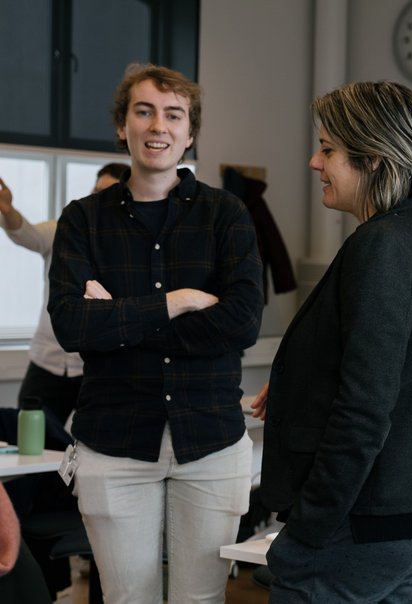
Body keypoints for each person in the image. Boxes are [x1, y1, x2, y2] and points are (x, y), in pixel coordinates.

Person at [47, 64, 262, 603]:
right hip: (113, 444)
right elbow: (73, 325)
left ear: (190, 133)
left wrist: (120, 318)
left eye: (173, 115)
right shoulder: (82, 221)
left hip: (211, 442)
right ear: (123, 126)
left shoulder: (226, 215)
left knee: (200, 600)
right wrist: (178, 302)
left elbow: (242, 322)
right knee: (127, 600)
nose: (157, 126)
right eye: (143, 112)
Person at [257, 81, 412, 603]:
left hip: (363, 517)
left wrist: (308, 527)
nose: (313, 161)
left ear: (373, 159)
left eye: (328, 149)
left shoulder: (382, 248)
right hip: (404, 514)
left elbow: (365, 407)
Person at [1, 163, 126, 426]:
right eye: (96, 188)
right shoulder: (64, 228)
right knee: (30, 437)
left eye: (108, 190)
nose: (98, 196)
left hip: (94, 367)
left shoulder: (126, 245)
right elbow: (27, 234)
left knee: (92, 445)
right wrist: (8, 210)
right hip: (47, 360)